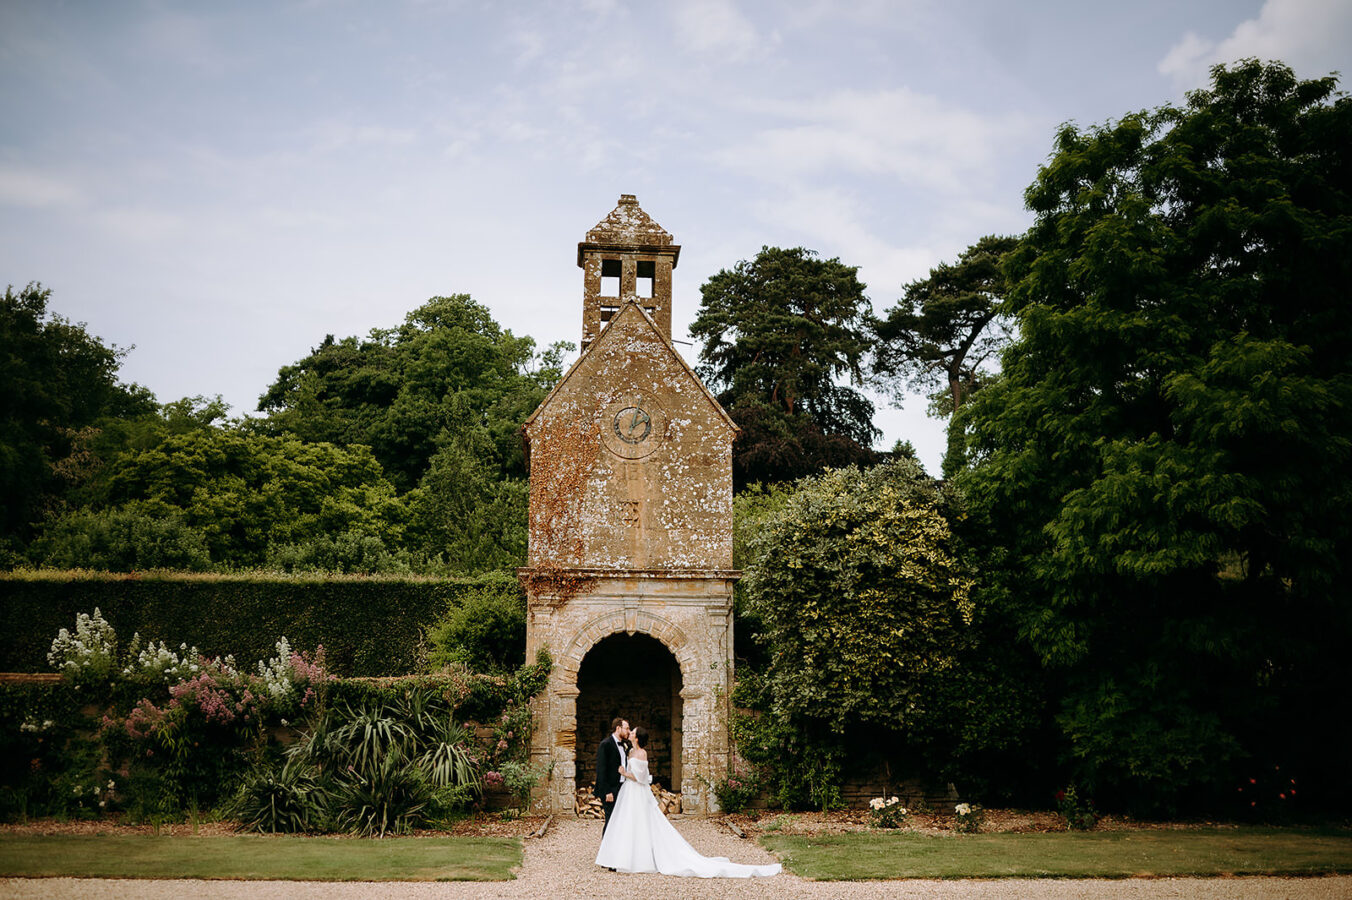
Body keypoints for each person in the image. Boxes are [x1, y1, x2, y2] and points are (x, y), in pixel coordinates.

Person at [595, 725, 781, 878]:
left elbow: (642, 778)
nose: (631, 733)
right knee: (628, 823)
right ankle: (625, 857)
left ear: (637, 737)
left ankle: (641, 858)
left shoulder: (641, 754)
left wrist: (624, 773)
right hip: (630, 792)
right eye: (630, 730)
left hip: (636, 790)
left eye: (633, 731)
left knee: (642, 823)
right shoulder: (631, 751)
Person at [595, 717, 630, 835]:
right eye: (626, 728)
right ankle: (606, 849)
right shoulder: (605, 744)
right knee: (610, 821)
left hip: (622, 787)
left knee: (620, 821)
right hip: (610, 789)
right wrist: (607, 791)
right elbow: (601, 770)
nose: (628, 731)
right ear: (618, 728)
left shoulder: (625, 745)